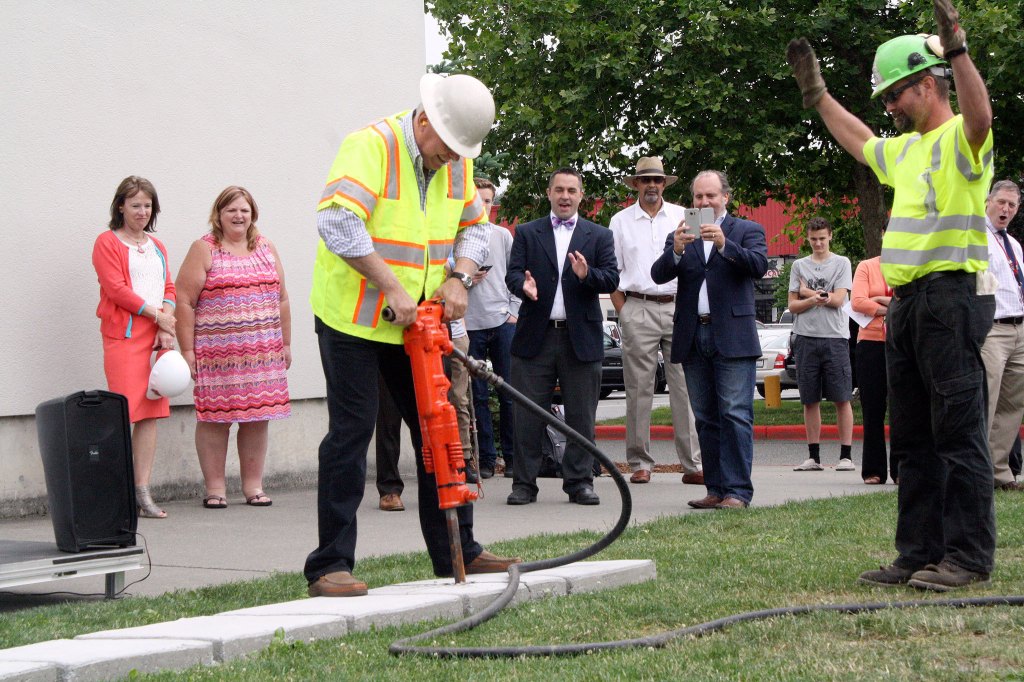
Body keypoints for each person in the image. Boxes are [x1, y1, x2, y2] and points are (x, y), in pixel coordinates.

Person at [788, 0, 996, 591]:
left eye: (895, 96)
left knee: (957, 432)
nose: (888, 108)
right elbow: (859, 140)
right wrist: (818, 96)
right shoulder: (903, 152)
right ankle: (918, 552)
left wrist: (958, 51)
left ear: (928, 86)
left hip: (951, 299)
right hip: (906, 306)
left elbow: (980, 118)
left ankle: (968, 558)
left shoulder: (962, 139)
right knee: (911, 437)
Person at [305, 73, 520, 597]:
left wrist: (459, 276)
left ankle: (457, 552)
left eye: (458, 155)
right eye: (446, 151)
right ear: (424, 122)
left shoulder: (456, 160)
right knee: (351, 433)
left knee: (437, 429)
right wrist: (390, 287)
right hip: (353, 320)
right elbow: (337, 225)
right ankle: (329, 565)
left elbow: (474, 228)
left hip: (418, 325)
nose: (451, 162)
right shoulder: (370, 146)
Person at [651, 170, 768, 510]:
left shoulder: (746, 230)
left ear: (725, 198)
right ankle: (715, 488)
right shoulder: (682, 234)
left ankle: (737, 492)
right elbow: (659, 274)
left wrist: (723, 244)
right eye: (698, 197)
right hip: (692, 334)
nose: (704, 202)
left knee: (735, 413)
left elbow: (758, 266)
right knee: (705, 416)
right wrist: (674, 250)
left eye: (710, 196)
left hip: (732, 334)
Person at [505, 167, 619, 506]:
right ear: (549, 193)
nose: (565, 196)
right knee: (527, 414)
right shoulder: (526, 232)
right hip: (534, 338)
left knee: (582, 415)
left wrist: (587, 275)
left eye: (572, 190)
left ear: (582, 195)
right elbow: (512, 273)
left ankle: (580, 482)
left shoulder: (599, 236)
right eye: (559, 190)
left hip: (580, 338)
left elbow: (611, 278)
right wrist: (521, 286)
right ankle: (524, 483)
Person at [175, 186, 291, 510]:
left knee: (257, 419)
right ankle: (215, 488)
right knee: (215, 420)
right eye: (231, 210)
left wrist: (287, 343)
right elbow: (184, 301)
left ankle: (253, 486)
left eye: (244, 210)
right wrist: (187, 351)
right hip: (217, 358)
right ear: (219, 215)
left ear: (253, 214)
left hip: (263, 355)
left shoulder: (266, 247)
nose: (239, 216)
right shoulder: (204, 249)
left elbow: (281, 299)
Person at [609, 157, 702, 486]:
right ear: (635, 184)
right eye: (645, 179)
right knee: (637, 389)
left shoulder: (683, 216)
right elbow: (612, 273)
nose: (652, 185)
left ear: (665, 184)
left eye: (657, 180)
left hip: (679, 306)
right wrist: (625, 312)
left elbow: (700, 261)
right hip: (637, 304)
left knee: (685, 387)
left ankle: (692, 464)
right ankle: (639, 462)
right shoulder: (619, 221)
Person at [92, 175, 177, 519]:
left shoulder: (157, 246)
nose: (142, 211)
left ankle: (142, 491)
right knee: (124, 411)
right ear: (120, 207)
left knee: (150, 414)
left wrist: (166, 323)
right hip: (126, 336)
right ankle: (116, 492)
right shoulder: (107, 242)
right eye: (136, 205)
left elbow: (168, 286)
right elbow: (116, 289)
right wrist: (158, 315)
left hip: (157, 334)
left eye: (147, 205)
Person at [787, 218, 855, 472]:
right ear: (807, 238)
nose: (818, 243)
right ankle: (813, 456)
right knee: (809, 398)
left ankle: (846, 455)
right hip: (805, 337)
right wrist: (812, 298)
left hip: (835, 337)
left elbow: (838, 299)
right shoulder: (798, 266)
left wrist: (807, 294)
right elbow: (792, 306)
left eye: (822, 238)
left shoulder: (842, 263)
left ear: (830, 236)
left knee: (841, 397)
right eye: (814, 239)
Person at [464, 177, 520, 479]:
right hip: (469, 324)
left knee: (509, 392)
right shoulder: (457, 234)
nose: (482, 206)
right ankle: (486, 458)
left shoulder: (502, 236)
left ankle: (511, 458)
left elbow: (516, 275)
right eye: (477, 200)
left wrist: (513, 311)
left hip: (502, 321)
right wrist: (467, 279)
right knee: (478, 396)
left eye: (487, 201)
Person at [979, 180, 1024, 491]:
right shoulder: (976, 238)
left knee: (1012, 405)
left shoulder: (1015, 245)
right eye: (1002, 203)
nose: (1006, 209)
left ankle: (999, 472)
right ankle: (973, 473)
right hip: (992, 330)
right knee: (986, 401)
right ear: (988, 202)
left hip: (1019, 328)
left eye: (1012, 205)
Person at [851, 233, 897, 484]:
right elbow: (857, 301)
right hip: (871, 343)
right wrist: (891, 307)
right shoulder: (867, 266)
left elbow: (915, 298)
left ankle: (902, 469)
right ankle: (873, 470)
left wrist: (883, 301)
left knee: (904, 408)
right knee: (873, 408)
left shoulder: (911, 267)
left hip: (903, 343)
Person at [374, 375, 405, 511]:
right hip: (389, 354)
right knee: (389, 415)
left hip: (427, 355)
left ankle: (437, 485)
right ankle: (389, 487)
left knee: (431, 418)